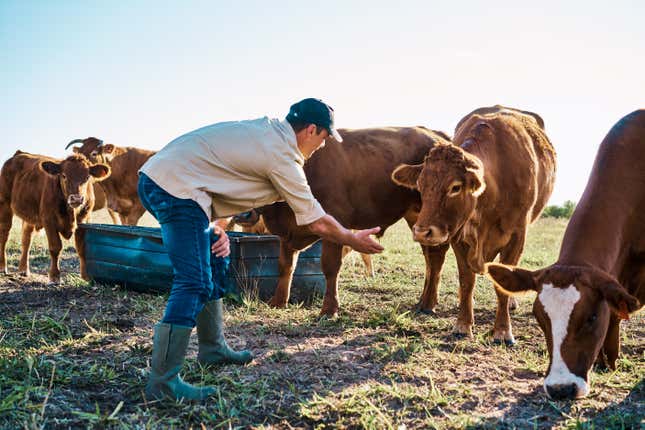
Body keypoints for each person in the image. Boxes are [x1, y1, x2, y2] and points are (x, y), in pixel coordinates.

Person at [137, 98, 384, 401]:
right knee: (193, 281)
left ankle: (212, 349)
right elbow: (317, 221)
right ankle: (162, 383)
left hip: (180, 187)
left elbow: (220, 173)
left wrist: (214, 226)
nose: (323, 145)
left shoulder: (270, 134)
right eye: (324, 137)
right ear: (310, 130)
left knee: (215, 259)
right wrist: (351, 238)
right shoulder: (281, 154)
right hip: (173, 188)